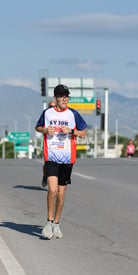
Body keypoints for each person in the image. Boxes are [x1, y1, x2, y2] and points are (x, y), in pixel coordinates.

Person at [35, 84, 87, 239]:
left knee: (61, 193)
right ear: (55, 98)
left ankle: (57, 223)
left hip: (67, 157)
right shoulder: (47, 113)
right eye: (62, 96)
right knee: (52, 190)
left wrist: (71, 131)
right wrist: (45, 130)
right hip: (51, 156)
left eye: (66, 96)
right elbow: (37, 127)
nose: (65, 99)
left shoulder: (73, 114)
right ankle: (49, 222)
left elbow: (84, 133)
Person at [41, 99, 57, 188]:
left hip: (60, 145)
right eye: (50, 106)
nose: (52, 108)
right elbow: (39, 127)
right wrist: (45, 130)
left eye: (54, 106)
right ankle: (45, 176)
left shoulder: (61, 116)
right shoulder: (45, 115)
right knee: (47, 163)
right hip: (48, 143)